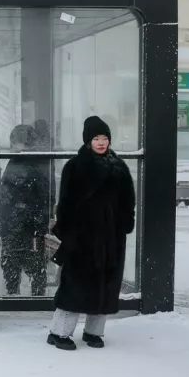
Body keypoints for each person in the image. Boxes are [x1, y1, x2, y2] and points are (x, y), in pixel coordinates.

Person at [47, 116, 136, 350]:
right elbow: (64, 202)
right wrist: (67, 231)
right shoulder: (75, 167)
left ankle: (94, 332)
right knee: (76, 286)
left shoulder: (119, 167)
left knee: (106, 286)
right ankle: (59, 333)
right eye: (96, 138)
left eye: (105, 138)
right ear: (88, 141)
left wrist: (126, 222)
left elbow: (128, 200)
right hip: (83, 237)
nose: (101, 142)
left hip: (112, 238)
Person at [0, 125, 50, 296]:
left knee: (29, 261)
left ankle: (29, 292)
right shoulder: (20, 162)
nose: (15, 147)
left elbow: (41, 194)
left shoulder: (32, 164)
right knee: (19, 260)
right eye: (14, 144)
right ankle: (18, 290)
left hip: (26, 221)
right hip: (20, 220)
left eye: (18, 143)